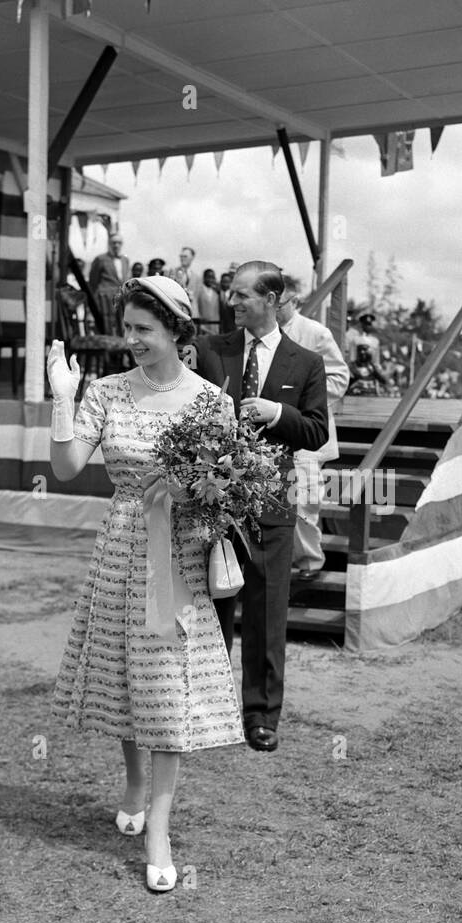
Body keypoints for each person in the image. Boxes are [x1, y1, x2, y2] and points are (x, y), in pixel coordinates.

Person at [47, 275, 244, 893]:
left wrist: (192, 490)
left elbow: (230, 491)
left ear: (177, 332)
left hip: (177, 556)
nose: (130, 339)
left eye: (143, 330)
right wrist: (62, 396)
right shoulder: (105, 391)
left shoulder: (212, 401)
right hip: (119, 549)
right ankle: (133, 782)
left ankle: (159, 826)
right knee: (125, 679)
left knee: (165, 685)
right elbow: (67, 467)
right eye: (127, 328)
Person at [198, 261, 328, 753]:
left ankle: (261, 716)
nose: (231, 303)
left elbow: (316, 430)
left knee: (267, 614)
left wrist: (279, 414)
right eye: (231, 294)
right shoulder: (211, 352)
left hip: (274, 506)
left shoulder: (306, 362)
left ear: (272, 300)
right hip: (214, 506)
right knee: (212, 606)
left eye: (241, 295)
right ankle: (207, 708)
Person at [276, 275, 350, 580]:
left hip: (307, 429)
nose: (272, 309)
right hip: (271, 429)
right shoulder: (254, 333)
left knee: (304, 502)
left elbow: (339, 378)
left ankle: (309, 565)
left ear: (295, 301)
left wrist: (301, 397)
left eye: (278, 304)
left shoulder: (315, 333)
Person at [88, 231, 129, 331]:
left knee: (122, 323)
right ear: (109, 244)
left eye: (119, 243)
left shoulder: (125, 260)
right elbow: (93, 281)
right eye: (114, 243)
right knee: (107, 325)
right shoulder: (100, 259)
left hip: (121, 296)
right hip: (105, 297)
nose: (116, 245)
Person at [197, 268, 222, 333]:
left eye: (213, 277)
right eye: (209, 277)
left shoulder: (216, 293)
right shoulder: (199, 291)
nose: (211, 280)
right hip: (203, 327)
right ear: (204, 278)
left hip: (215, 327)